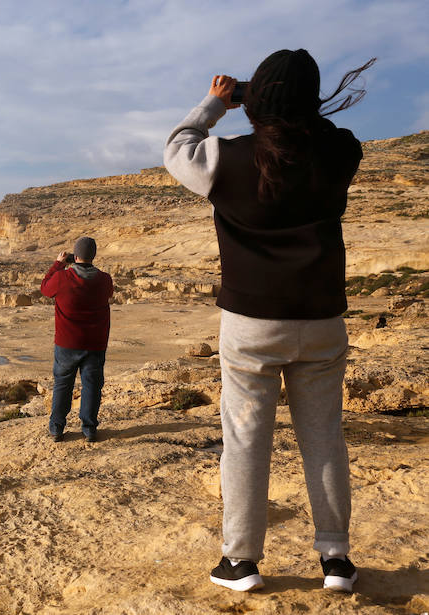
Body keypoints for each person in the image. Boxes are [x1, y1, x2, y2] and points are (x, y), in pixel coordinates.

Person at [163, 49, 374, 593]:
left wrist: (221, 101)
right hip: (323, 319)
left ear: (259, 99)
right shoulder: (340, 152)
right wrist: (283, 100)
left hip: (252, 322)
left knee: (246, 440)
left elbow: (176, 147)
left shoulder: (226, 159)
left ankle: (241, 562)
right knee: (324, 437)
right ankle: (335, 561)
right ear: (309, 101)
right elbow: (323, 131)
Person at [40, 236, 114, 443]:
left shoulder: (63, 277)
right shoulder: (104, 279)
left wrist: (58, 264)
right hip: (95, 343)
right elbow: (109, 292)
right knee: (92, 385)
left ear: (75, 255)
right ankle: (89, 429)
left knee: (62, 385)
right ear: (94, 256)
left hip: (67, 343)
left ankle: (57, 429)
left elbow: (45, 288)